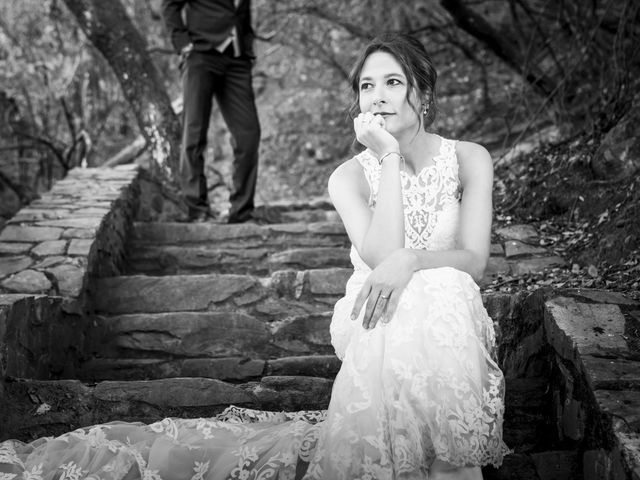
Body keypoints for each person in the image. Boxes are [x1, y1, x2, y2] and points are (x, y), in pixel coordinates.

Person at [0, 33, 509, 479]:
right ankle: (450, 466)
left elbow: (474, 262)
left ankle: (449, 461)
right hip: (380, 317)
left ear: (424, 92)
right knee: (415, 294)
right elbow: (382, 257)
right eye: (366, 86)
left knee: (439, 285)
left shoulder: (468, 159)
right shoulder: (349, 176)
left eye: (393, 82)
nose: (377, 97)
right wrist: (390, 157)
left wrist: (415, 262)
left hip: (443, 316)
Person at [162, 0, 261, 223]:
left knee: (249, 135)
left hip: (237, 61)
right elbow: (170, 4)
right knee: (194, 134)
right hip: (200, 56)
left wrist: (247, 45)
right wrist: (182, 42)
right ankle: (197, 210)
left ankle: (241, 212)